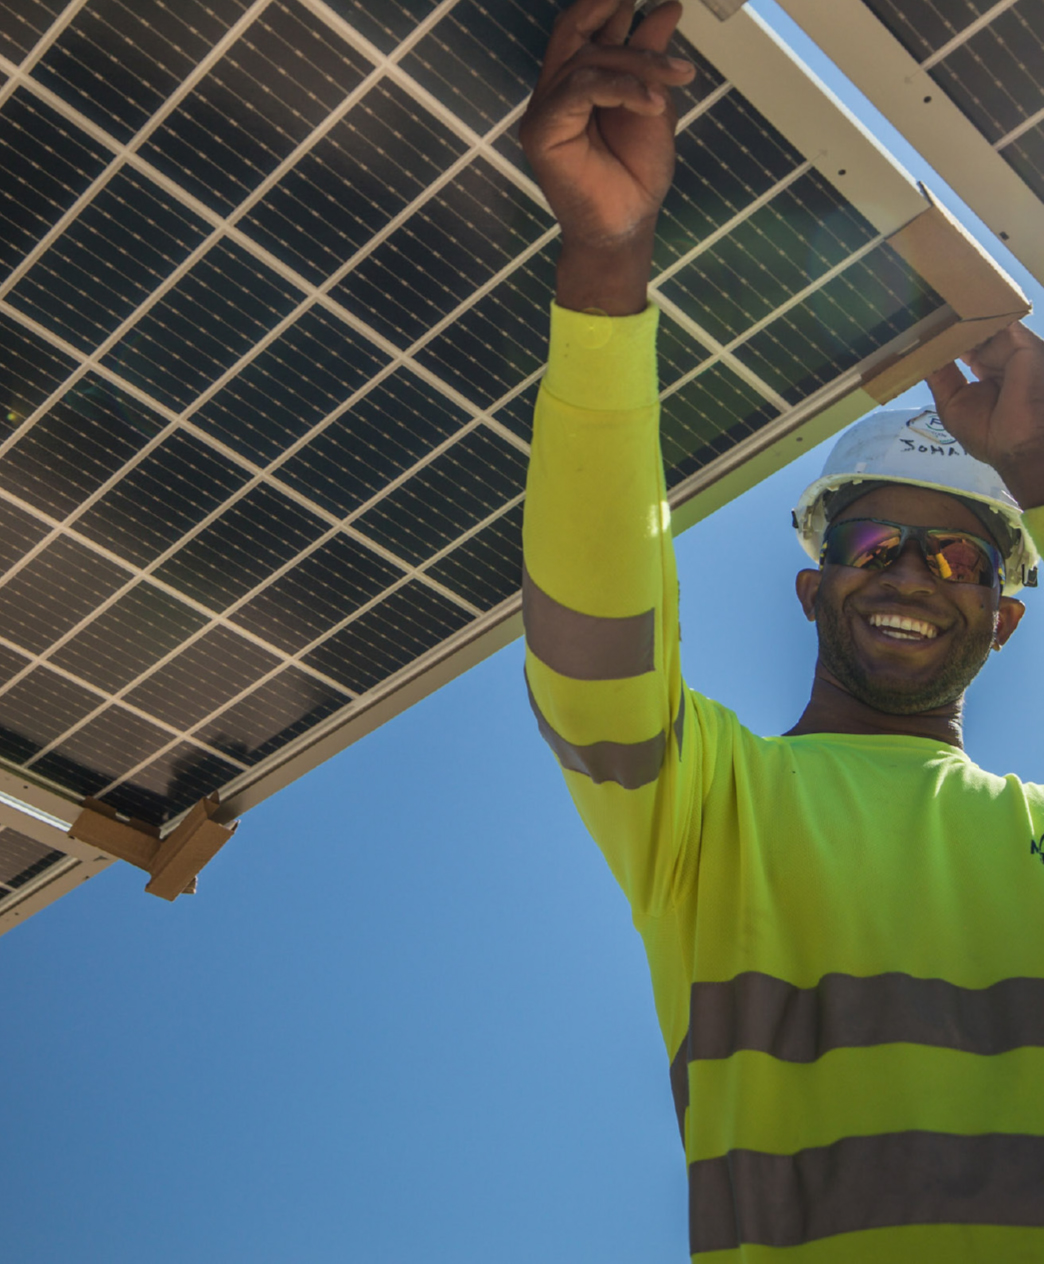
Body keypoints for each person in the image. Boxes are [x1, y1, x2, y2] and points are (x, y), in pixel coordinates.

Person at [519, 0, 1044, 1258]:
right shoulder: (711, 811)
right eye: (871, 544)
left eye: (955, 552)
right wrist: (608, 261)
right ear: (813, 588)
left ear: (1005, 616)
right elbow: (596, 643)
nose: (909, 571)